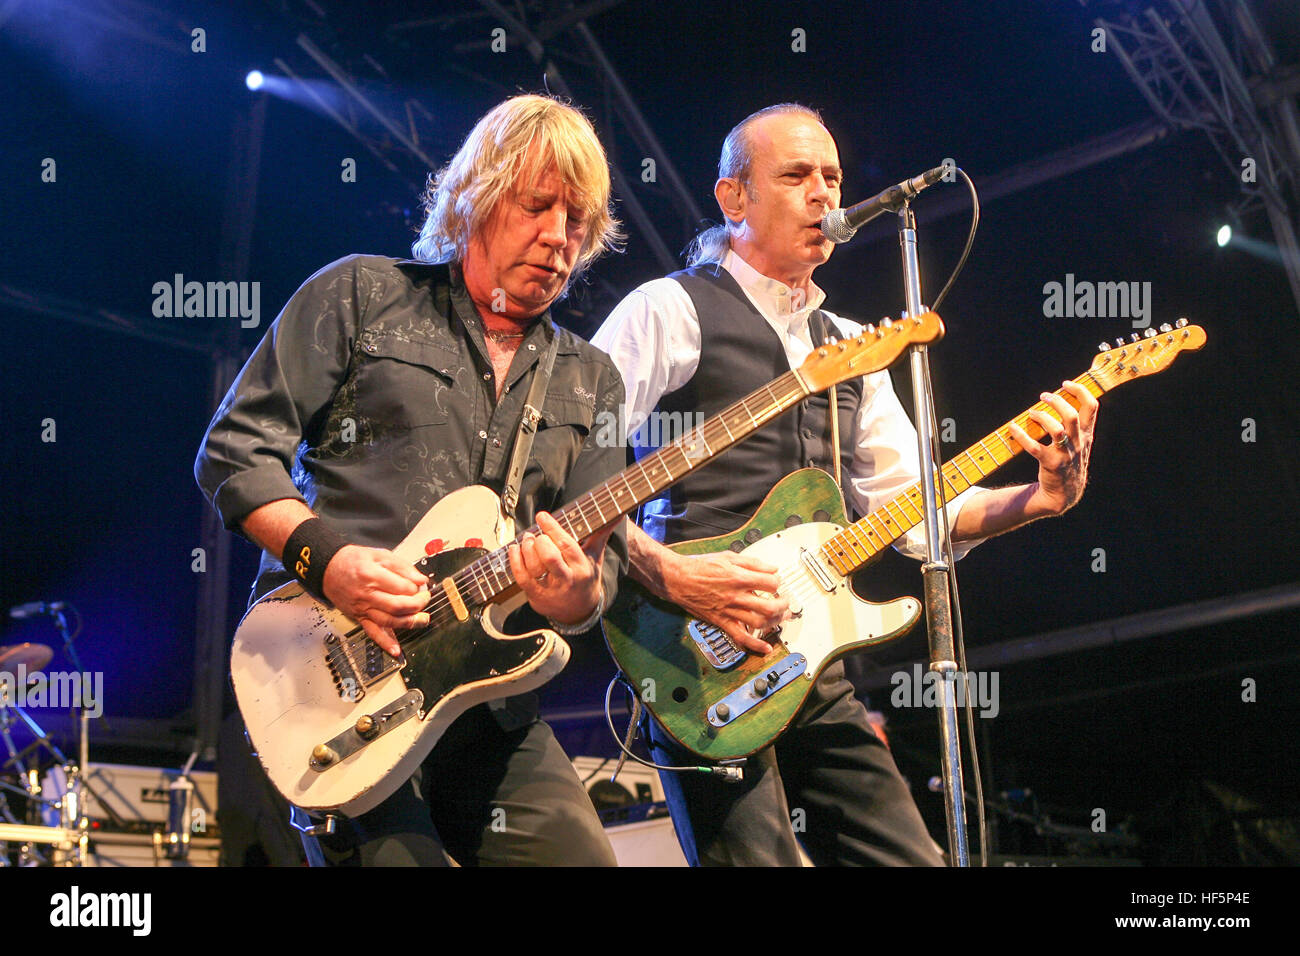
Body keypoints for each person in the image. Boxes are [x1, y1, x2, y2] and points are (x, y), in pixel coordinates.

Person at [591, 103, 1098, 866]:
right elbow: (569, 463)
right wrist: (670, 573)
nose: (824, 194)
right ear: (733, 198)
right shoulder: (669, 310)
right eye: (795, 176)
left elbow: (922, 512)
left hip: (811, 657)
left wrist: (1040, 498)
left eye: (831, 176)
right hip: (694, 649)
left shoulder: (852, 345)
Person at [195, 94, 629, 866]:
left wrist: (574, 594)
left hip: (487, 703)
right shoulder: (360, 295)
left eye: (577, 220)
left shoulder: (592, 378)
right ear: (477, 198)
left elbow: (596, 581)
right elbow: (235, 452)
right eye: (538, 206)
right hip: (335, 673)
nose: (559, 238)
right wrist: (329, 560)